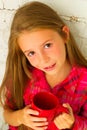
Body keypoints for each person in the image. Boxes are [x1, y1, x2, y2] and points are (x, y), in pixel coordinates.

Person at [0, 1, 87, 130]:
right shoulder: (22, 73)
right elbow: (7, 114)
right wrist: (21, 117)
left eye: (47, 45)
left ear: (65, 35)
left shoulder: (84, 80)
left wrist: (73, 123)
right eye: (31, 53)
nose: (43, 60)